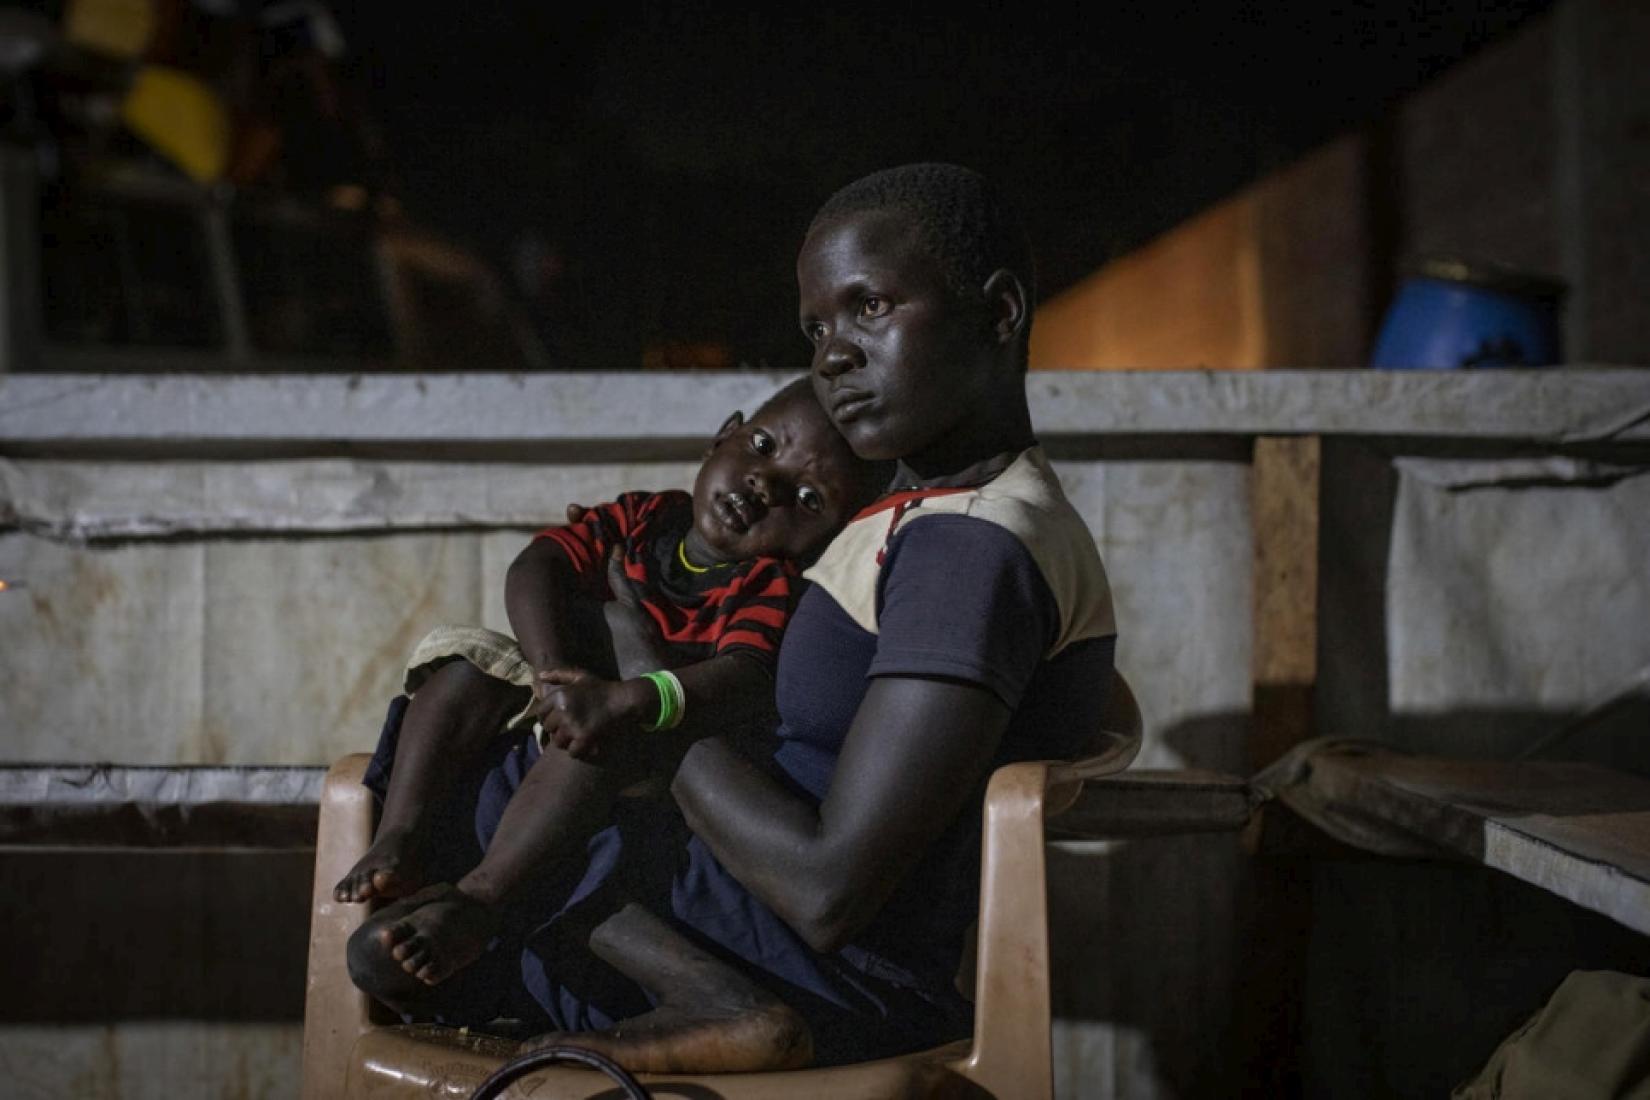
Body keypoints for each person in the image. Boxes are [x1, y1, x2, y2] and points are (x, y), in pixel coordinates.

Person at [348, 163, 1119, 1075]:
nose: (833, 355)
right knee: (483, 776)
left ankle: (717, 1009)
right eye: (818, 327)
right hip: (739, 914)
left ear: (998, 313)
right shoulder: (929, 518)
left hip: (807, 967)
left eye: (870, 308)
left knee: (483, 792)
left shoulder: (972, 552)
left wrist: (644, 685)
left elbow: (827, 889)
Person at [337, 378, 889, 993]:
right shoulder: (647, 516)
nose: (767, 484)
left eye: (808, 498)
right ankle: (399, 835)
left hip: (636, 734)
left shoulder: (766, 583)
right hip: (556, 681)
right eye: (762, 445)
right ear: (721, 435)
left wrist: (628, 697)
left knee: (597, 745)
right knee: (462, 672)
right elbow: (538, 564)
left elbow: (743, 676)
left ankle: (480, 898)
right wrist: (553, 678)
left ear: (826, 539)